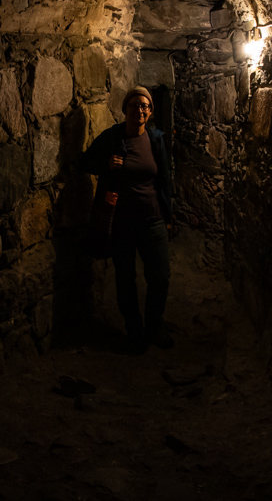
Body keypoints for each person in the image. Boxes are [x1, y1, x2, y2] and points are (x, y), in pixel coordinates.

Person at [80, 86, 174, 353]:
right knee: (125, 277)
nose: (139, 110)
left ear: (150, 112)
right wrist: (106, 165)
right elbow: (86, 161)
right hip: (122, 222)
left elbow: (164, 179)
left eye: (145, 106)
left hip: (152, 219)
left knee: (161, 276)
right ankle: (135, 329)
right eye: (134, 105)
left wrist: (168, 216)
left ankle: (155, 325)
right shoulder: (112, 138)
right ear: (125, 110)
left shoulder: (156, 140)